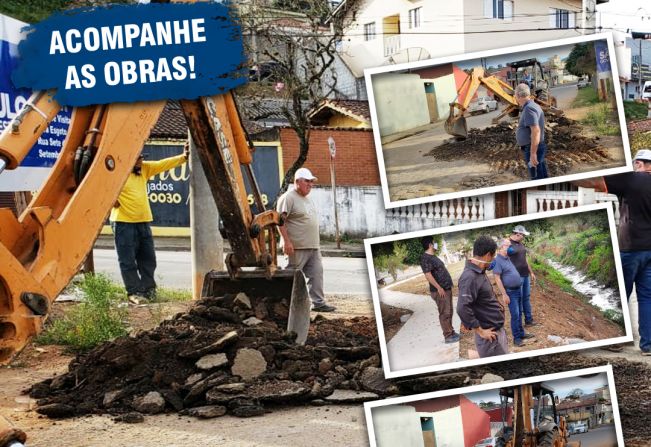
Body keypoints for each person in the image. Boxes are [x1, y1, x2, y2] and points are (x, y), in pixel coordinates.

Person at [574, 149, 651, 355]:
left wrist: (571, 176)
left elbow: (595, 182)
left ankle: (616, 340)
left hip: (630, 248)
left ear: (640, 164)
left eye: (636, 163)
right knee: (647, 298)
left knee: (620, 296)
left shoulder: (632, 179)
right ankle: (648, 345)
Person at [110, 145, 188, 302]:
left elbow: (163, 164)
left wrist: (184, 157)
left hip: (143, 222)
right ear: (129, 160)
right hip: (123, 223)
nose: (142, 161)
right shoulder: (116, 174)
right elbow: (101, 189)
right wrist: (111, 200)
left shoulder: (143, 170)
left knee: (148, 259)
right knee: (128, 260)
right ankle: (134, 292)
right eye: (139, 158)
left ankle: (148, 290)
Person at [277, 167, 336, 312]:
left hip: (313, 246)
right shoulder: (288, 198)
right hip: (296, 247)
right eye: (307, 181)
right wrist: (286, 241)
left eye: (311, 182)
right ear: (297, 182)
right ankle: (284, 304)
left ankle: (319, 303)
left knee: (316, 274)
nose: (310, 184)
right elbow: (279, 221)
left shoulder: (307, 199)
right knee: (291, 277)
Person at [457, 235, 508, 358]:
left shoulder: (479, 272)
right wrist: (480, 331)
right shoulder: (470, 277)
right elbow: (462, 308)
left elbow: (473, 301)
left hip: (495, 332)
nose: (493, 259)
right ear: (487, 255)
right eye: (493, 256)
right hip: (489, 337)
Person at [492, 238, 535, 347]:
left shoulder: (508, 258)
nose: (511, 247)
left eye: (510, 245)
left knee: (519, 312)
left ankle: (521, 333)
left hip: (518, 289)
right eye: (508, 245)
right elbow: (497, 279)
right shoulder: (498, 261)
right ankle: (516, 339)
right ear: (502, 247)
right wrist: (504, 294)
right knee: (515, 315)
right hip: (510, 292)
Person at [420, 236, 459, 344]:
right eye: (434, 243)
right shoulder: (425, 258)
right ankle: (448, 336)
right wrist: (439, 288)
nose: (436, 244)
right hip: (439, 291)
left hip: (446, 289)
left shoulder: (433, 256)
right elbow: (428, 275)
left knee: (449, 312)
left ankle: (451, 332)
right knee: (444, 313)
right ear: (430, 245)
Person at [514, 83, 548, 181]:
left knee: (537, 177)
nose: (515, 98)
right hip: (535, 146)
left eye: (515, 96)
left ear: (519, 96)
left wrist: (533, 154)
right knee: (541, 173)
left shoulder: (529, 108)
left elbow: (536, 131)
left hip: (532, 147)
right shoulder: (532, 106)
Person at [509, 225, 538, 328]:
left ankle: (529, 320)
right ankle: (519, 324)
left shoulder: (520, 244)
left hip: (525, 275)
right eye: (523, 235)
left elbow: (524, 260)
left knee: (526, 298)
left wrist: (531, 272)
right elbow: (503, 260)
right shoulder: (508, 244)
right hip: (517, 277)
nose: (523, 237)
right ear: (518, 233)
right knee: (519, 299)